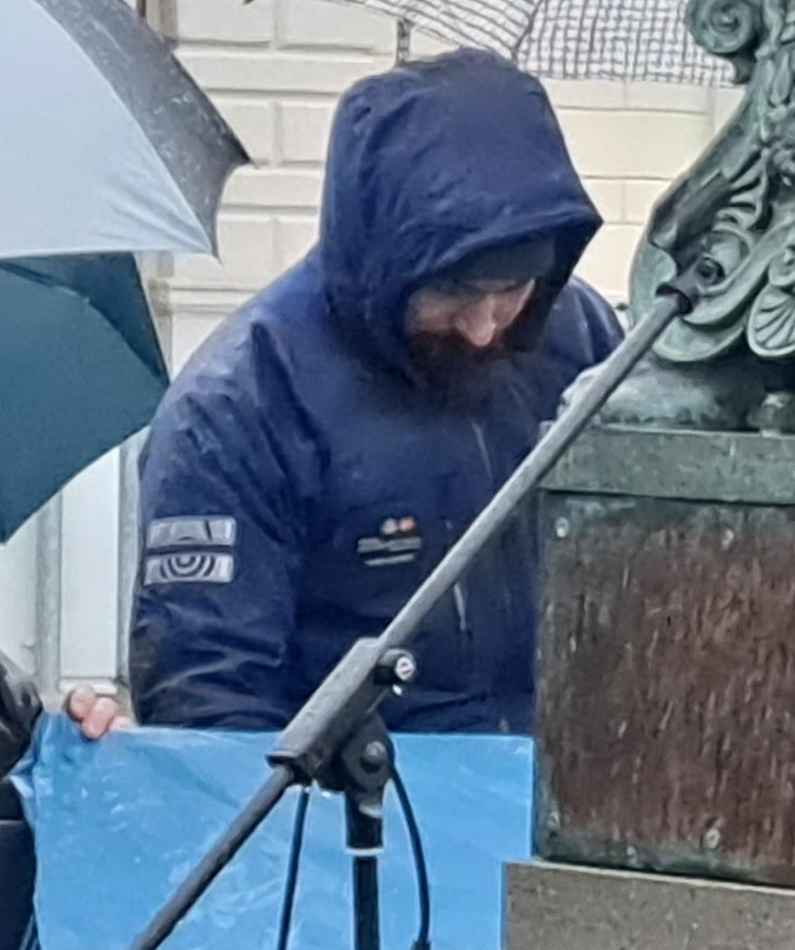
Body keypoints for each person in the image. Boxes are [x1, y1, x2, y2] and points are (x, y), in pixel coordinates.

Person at [121, 50, 613, 734]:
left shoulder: (579, 337)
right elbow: (206, 699)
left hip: (561, 788)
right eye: (455, 294)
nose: (482, 328)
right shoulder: (239, 408)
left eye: (512, 292)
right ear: (383, 266)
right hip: (354, 817)